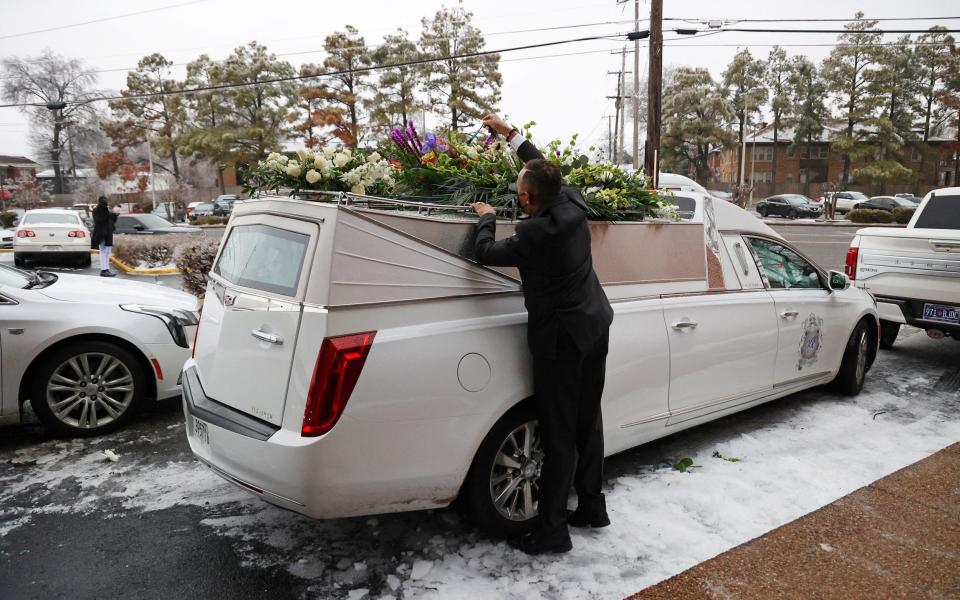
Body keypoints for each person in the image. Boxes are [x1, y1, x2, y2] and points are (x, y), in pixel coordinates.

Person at [471, 114, 614, 555]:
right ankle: (591, 506)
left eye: (518, 195)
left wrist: (488, 217)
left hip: (561, 343)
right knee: (588, 422)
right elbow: (543, 164)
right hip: (595, 326)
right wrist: (508, 132)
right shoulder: (572, 202)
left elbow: (483, 254)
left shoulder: (534, 234)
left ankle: (553, 530)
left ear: (529, 199)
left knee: (557, 432)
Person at [91, 196, 117, 277]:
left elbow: (111, 221)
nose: (105, 202)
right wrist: (108, 215)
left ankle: (107, 269)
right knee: (103, 252)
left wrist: (114, 215)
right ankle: (104, 270)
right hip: (101, 234)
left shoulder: (107, 209)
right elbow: (98, 221)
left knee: (107, 252)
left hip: (108, 233)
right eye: (104, 200)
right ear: (100, 201)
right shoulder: (97, 210)